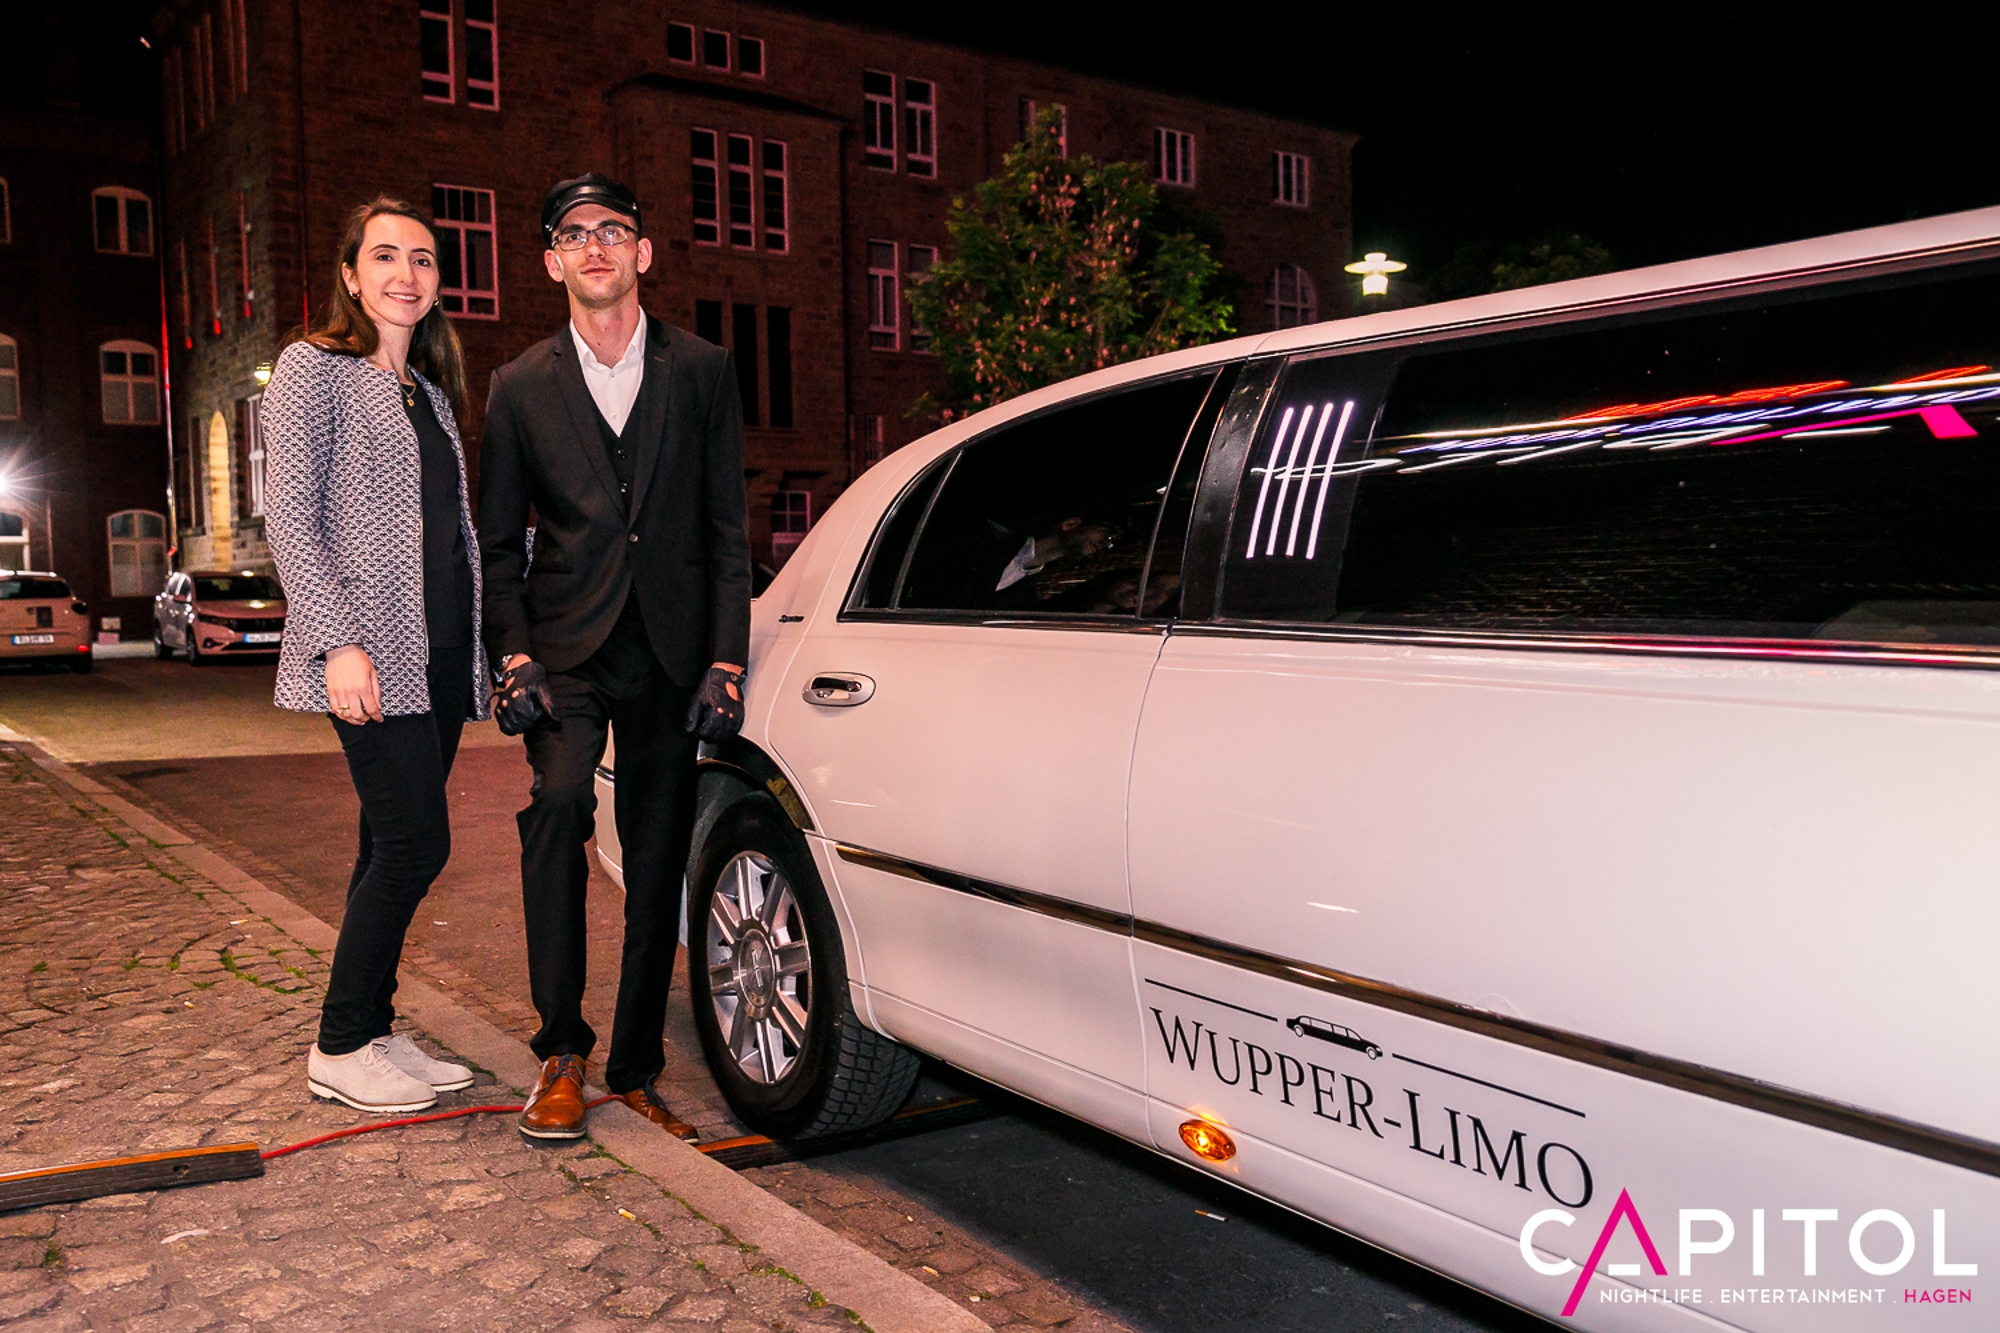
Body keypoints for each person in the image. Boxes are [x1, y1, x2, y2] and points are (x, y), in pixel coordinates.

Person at [478, 173, 752, 1142]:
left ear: (642, 251)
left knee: (656, 849)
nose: (594, 245)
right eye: (573, 233)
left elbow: (727, 531)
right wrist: (512, 657)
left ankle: (635, 1070)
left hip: (671, 651)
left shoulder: (704, 370)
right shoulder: (517, 387)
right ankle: (561, 1052)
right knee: (558, 806)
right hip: (566, 649)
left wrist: (727, 661)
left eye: (612, 229)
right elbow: (497, 547)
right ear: (552, 262)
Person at [262, 197, 489, 1113]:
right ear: (352, 276)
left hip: (439, 654)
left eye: (424, 259)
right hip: (371, 650)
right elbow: (291, 517)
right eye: (386, 256)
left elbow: (447, 529)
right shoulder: (312, 368)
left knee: (381, 844)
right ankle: (339, 1044)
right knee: (414, 845)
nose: (407, 273)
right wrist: (337, 642)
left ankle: (373, 1027)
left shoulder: (427, 392)